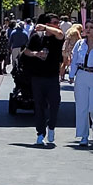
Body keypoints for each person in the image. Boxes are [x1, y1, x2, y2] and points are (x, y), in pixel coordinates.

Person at [22, 14, 65, 147]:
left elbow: (60, 34)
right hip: (38, 77)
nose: (57, 25)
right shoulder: (36, 37)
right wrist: (36, 54)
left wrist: (45, 26)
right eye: (55, 22)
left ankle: (51, 126)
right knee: (39, 106)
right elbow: (26, 51)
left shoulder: (57, 38)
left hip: (52, 77)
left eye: (58, 23)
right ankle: (40, 133)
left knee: (55, 103)